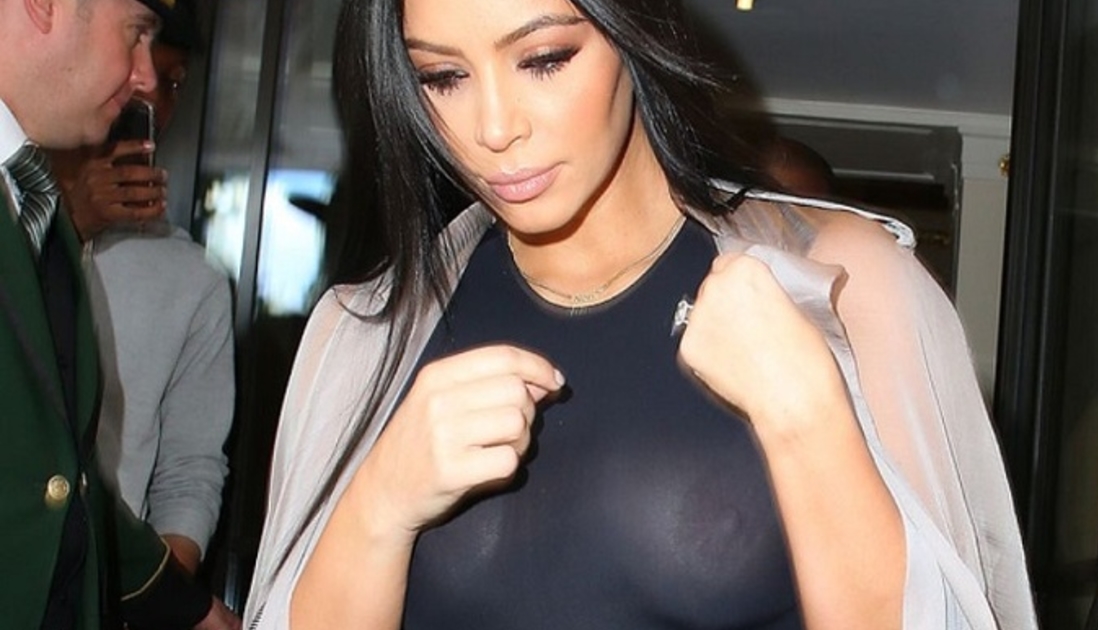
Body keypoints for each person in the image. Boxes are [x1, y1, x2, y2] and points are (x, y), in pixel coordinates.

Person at [246, 0, 1038, 628]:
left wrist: (806, 416)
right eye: (442, 76)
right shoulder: (367, 333)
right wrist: (378, 505)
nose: (493, 128)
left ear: (633, 31)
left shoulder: (844, 284)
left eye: (544, 59)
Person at [0, 0, 238, 627]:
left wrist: (184, 606)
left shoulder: (36, 207)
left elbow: (54, 476)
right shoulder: (50, 214)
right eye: (135, 32)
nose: (146, 79)